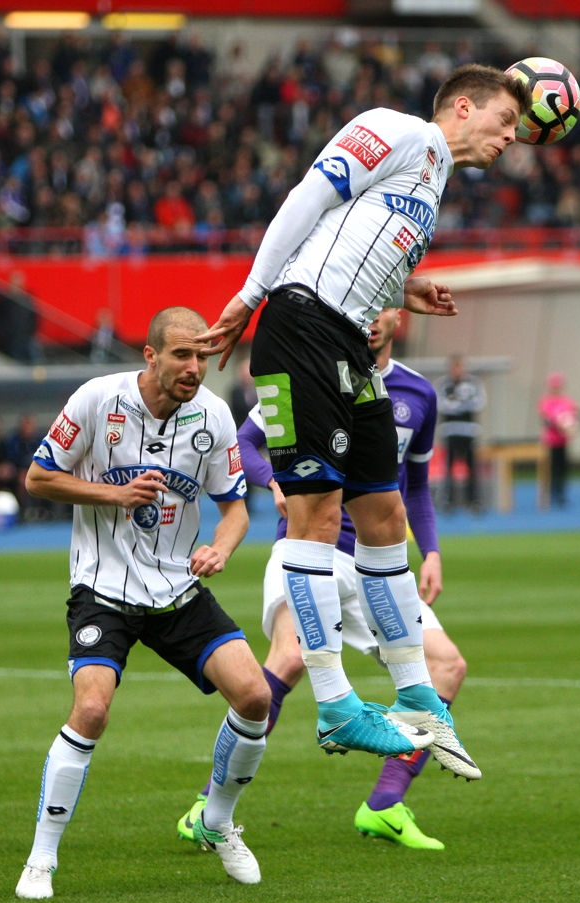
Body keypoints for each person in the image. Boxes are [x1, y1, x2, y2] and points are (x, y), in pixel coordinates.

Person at [197, 64, 528, 772]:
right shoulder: (397, 129)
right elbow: (307, 200)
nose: (512, 137)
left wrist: (405, 293)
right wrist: (249, 294)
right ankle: (338, 703)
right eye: (505, 122)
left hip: (348, 341)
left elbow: (350, 249)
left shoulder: (432, 182)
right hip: (299, 327)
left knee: (383, 518)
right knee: (315, 518)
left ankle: (415, 695)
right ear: (463, 106)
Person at [178, 308, 472, 851]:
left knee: (448, 665)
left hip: (377, 564)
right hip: (312, 551)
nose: (373, 318)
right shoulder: (312, 375)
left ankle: (385, 805)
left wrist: (430, 552)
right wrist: (271, 481)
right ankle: (208, 804)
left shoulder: (418, 395)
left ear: (399, 315)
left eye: (385, 306)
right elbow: (245, 443)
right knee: (287, 659)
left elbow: (418, 483)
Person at [15, 306, 273, 900]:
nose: (195, 367)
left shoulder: (213, 416)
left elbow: (235, 508)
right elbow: (38, 478)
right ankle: (41, 858)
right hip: (102, 589)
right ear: (150, 355)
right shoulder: (95, 400)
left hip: (178, 589)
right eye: (182, 355)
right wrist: (112, 492)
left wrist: (222, 549)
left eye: (203, 355)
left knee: (255, 696)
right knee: (92, 711)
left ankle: (216, 820)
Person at [436, 354, 487, 512]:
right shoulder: (443, 384)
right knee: (449, 467)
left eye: (460, 367)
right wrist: (456, 405)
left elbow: (480, 402)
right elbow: (440, 403)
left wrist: (458, 404)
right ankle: (448, 501)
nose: (458, 370)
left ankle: (473, 500)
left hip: (468, 430)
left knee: (471, 467)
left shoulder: (473, 383)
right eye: (455, 367)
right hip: (450, 430)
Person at [537, 372, 580, 507]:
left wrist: (571, 429)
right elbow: (546, 420)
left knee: (562, 467)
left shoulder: (568, 402)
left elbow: (575, 417)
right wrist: (560, 426)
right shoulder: (546, 401)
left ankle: (561, 493)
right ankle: (550, 493)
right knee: (551, 467)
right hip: (550, 440)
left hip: (563, 440)